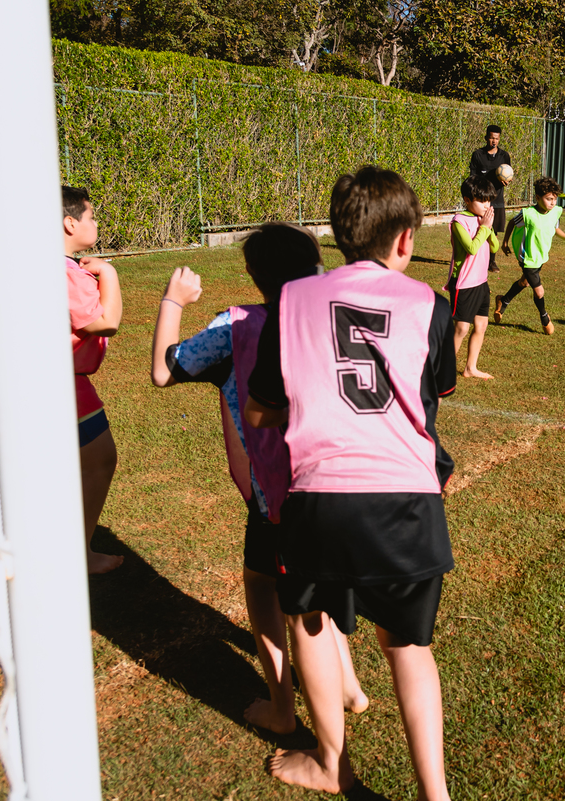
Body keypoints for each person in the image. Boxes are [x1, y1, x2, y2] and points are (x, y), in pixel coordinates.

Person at [244, 166, 457, 798]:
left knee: (309, 619)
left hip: (321, 496)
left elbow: (260, 409)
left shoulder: (291, 300)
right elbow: (431, 394)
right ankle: (435, 796)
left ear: (338, 236)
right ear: (406, 239)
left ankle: (332, 763)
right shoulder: (432, 305)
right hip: (408, 498)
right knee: (409, 647)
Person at [150, 224, 368, 736]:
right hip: (346, 482)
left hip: (279, 495)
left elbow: (164, 370)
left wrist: (172, 301)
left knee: (268, 587)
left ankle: (282, 708)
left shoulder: (237, 327)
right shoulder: (340, 317)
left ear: (253, 273)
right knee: (318, 580)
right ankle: (350, 686)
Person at [63, 186, 124, 574]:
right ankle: (78, 553)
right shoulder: (65, 274)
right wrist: (110, 274)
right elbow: (105, 322)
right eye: (91, 216)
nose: (96, 222)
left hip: (61, 380)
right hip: (65, 385)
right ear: (70, 223)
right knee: (100, 459)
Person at [494, 176, 565, 335]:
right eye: (549, 199)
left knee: (524, 282)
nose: (553, 203)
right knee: (539, 291)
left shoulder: (555, 212)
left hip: (540, 256)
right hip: (528, 258)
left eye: (554, 199)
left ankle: (503, 300)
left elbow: (555, 228)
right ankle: (545, 318)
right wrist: (505, 242)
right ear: (538, 197)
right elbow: (512, 222)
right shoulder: (528, 214)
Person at [446, 175, 499, 379]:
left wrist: (488, 227)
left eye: (489, 201)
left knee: (481, 326)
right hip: (463, 283)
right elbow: (472, 248)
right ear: (467, 200)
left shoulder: (483, 219)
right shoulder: (459, 221)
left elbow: (494, 247)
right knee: (461, 328)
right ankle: (443, 370)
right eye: (482, 201)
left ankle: (470, 368)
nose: (487, 205)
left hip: (481, 281)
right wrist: (484, 227)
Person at [469, 124, 511, 272]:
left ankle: (491, 262)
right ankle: (476, 259)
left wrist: (507, 180)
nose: (494, 141)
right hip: (481, 200)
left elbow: (508, 173)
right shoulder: (478, 155)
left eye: (497, 139)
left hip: (497, 200)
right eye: (492, 138)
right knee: (478, 229)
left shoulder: (504, 156)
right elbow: (472, 177)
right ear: (486, 137)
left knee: (493, 232)